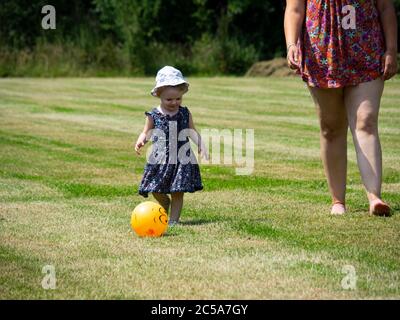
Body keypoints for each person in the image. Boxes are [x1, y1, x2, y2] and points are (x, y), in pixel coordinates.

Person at [284, 0, 398, 216]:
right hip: (322, 55)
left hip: (367, 51)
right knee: (331, 127)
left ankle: (375, 197)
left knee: (366, 120)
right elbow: (295, 9)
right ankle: (338, 201)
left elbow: (386, 7)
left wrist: (391, 50)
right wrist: (291, 44)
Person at [135, 66, 208, 226]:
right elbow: (146, 132)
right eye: (169, 99)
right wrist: (141, 141)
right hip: (159, 158)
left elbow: (192, 131)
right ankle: (164, 202)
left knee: (178, 190)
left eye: (178, 99)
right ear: (159, 95)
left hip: (182, 158)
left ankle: (174, 220)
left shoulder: (184, 113)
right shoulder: (153, 115)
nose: (174, 102)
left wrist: (201, 145)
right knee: (154, 187)